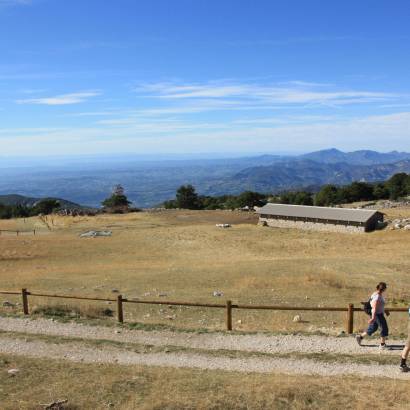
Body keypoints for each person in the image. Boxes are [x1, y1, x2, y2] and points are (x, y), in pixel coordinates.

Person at [356, 282, 390, 350]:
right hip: (377, 314)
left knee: (373, 328)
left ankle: (360, 337)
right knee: (384, 327)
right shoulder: (377, 296)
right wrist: (373, 317)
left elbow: (379, 306)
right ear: (384, 289)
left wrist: (385, 311)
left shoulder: (376, 293)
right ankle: (382, 345)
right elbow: (374, 307)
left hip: (377, 314)